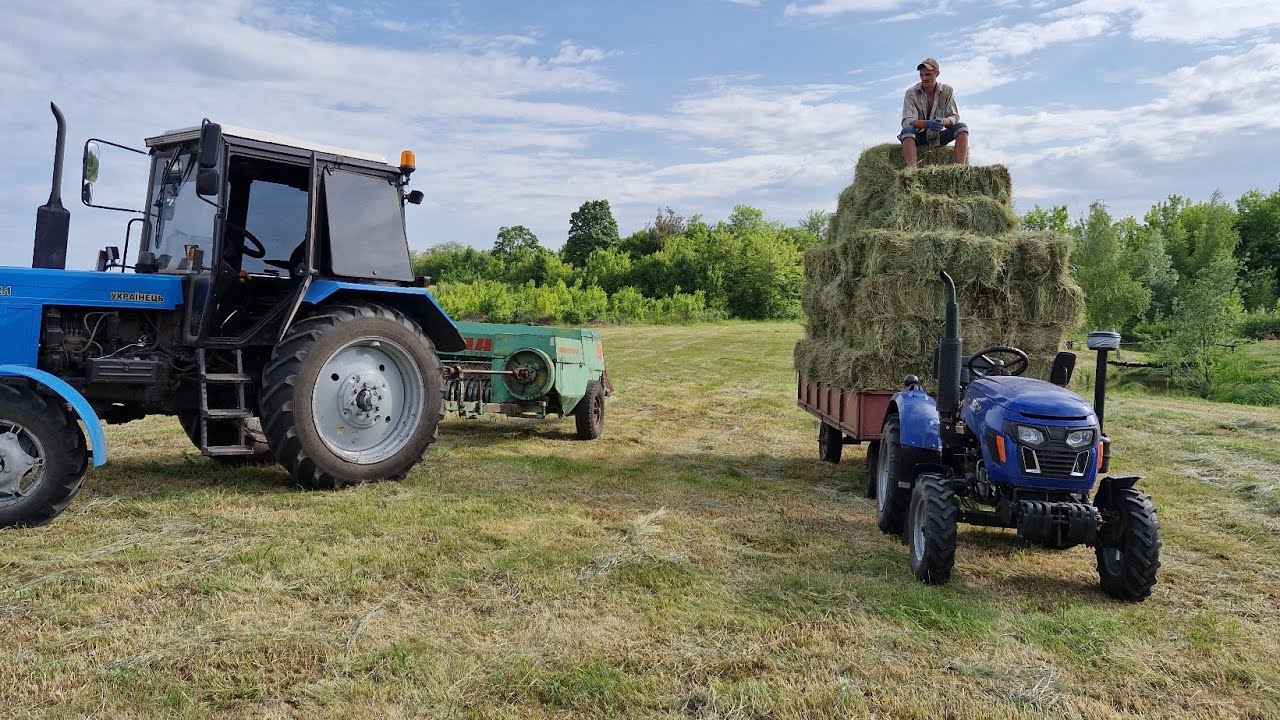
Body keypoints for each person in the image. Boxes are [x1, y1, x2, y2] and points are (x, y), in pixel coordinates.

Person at [898, 57, 969, 168]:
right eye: (921, 75)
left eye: (928, 75)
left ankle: (960, 170)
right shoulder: (911, 93)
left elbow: (954, 116)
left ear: (937, 74)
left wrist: (943, 122)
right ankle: (912, 173)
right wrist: (929, 123)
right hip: (918, 137)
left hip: (937, 137)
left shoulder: (947, 91)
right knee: (907, 131)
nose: (924, 78)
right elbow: (907, 121)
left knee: (962, 128)